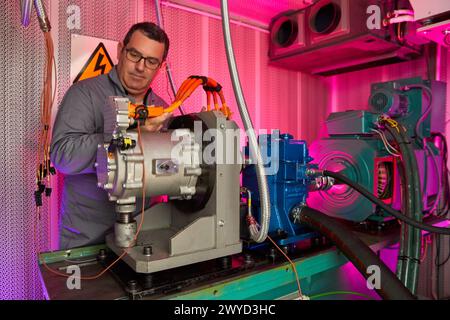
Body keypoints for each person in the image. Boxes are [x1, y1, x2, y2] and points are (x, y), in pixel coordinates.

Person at [51, 22, 172, 249]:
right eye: (134, 54)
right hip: (88, 243)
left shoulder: (162, 110)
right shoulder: (85, 94)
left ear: (161, 67)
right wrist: (129, 137)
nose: (140, 67)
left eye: (151, 61)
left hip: (143, 242)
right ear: (120, 50)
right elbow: (62, 155)